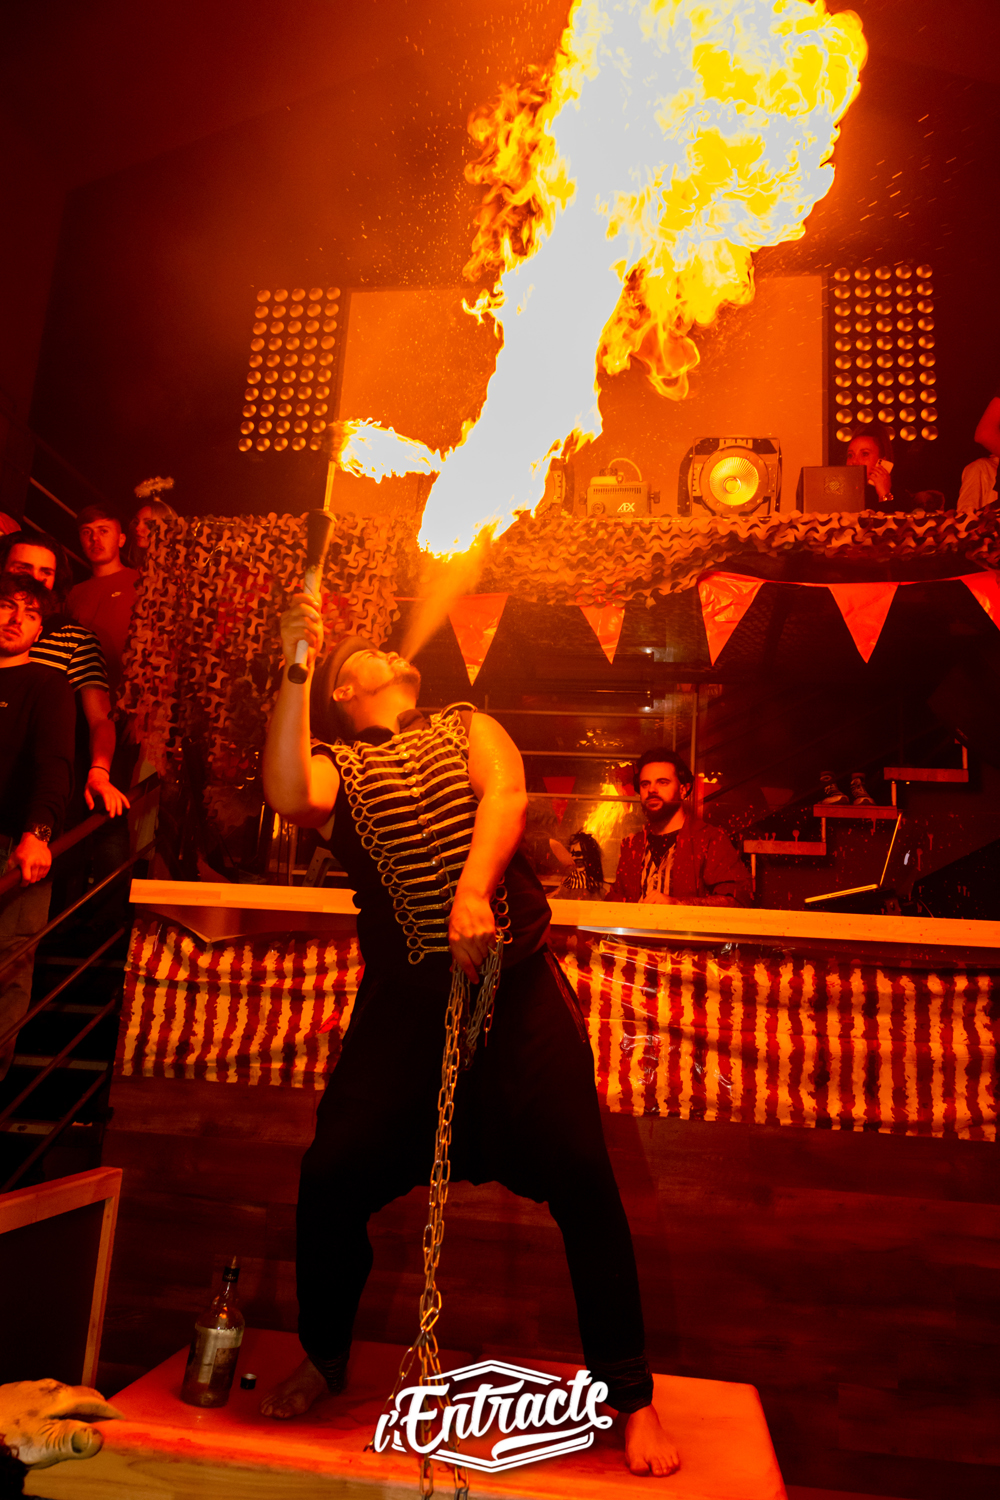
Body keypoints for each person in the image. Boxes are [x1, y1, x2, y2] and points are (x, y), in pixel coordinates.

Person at [259, 599, 679, 1478]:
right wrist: (296, 661)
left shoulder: (466, 725)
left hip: (514, 991)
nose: (389, 650)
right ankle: (324, 1356)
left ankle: (632, 1394)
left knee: (585, 1180)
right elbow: (288, 793)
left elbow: (507, 795)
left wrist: (473, 891)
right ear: (343, 691)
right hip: (405, 1012)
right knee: (329, 1176)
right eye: (365, 653)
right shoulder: (335, 767)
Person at [0, 574, 76, 1080]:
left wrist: (38, 833)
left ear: (39, 630)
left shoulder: (49, 685)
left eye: (29, 614)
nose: (15, 620)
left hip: (11, 843)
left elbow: (55, 767)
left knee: (8, 967)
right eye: (7, 606)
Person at [0, 531, 129, 818]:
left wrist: (99, 772)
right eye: (23, 568)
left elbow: (100, 719)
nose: (36, 579)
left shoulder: (76, 640)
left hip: (28, 796)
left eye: (45, 572)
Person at [607, 749, 752, 907]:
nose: (651, 790)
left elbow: (738, 900)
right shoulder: (632, 846)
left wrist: (679, 904)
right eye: (645, 784)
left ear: (683, 790)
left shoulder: (710, 841)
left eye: (662, 782)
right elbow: (614, 904)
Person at [65, 506, 139, 695]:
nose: (94, 539)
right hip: (82, 696)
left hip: (132, 695)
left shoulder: (142, 582)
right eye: (86, 532)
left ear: (121, 539)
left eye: (103, 531)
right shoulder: (73, 594)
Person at [844, 423, 911, 512]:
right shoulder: (839, 493)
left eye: (864, 454)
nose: (854, 462)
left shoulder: (901, 497)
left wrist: (884, 494)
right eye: (850, 455)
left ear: (882, 461)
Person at [549, 829, 608, 898]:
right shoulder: (568, 883)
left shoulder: (599, 888)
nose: (574, 858)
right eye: (572, 854)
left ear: (590, 855)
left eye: (578, 853)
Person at [126, 494, 177, 569]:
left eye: (147, 523)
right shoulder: (139, 570)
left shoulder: (178, 570)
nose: (137, 528)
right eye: (136, 522)